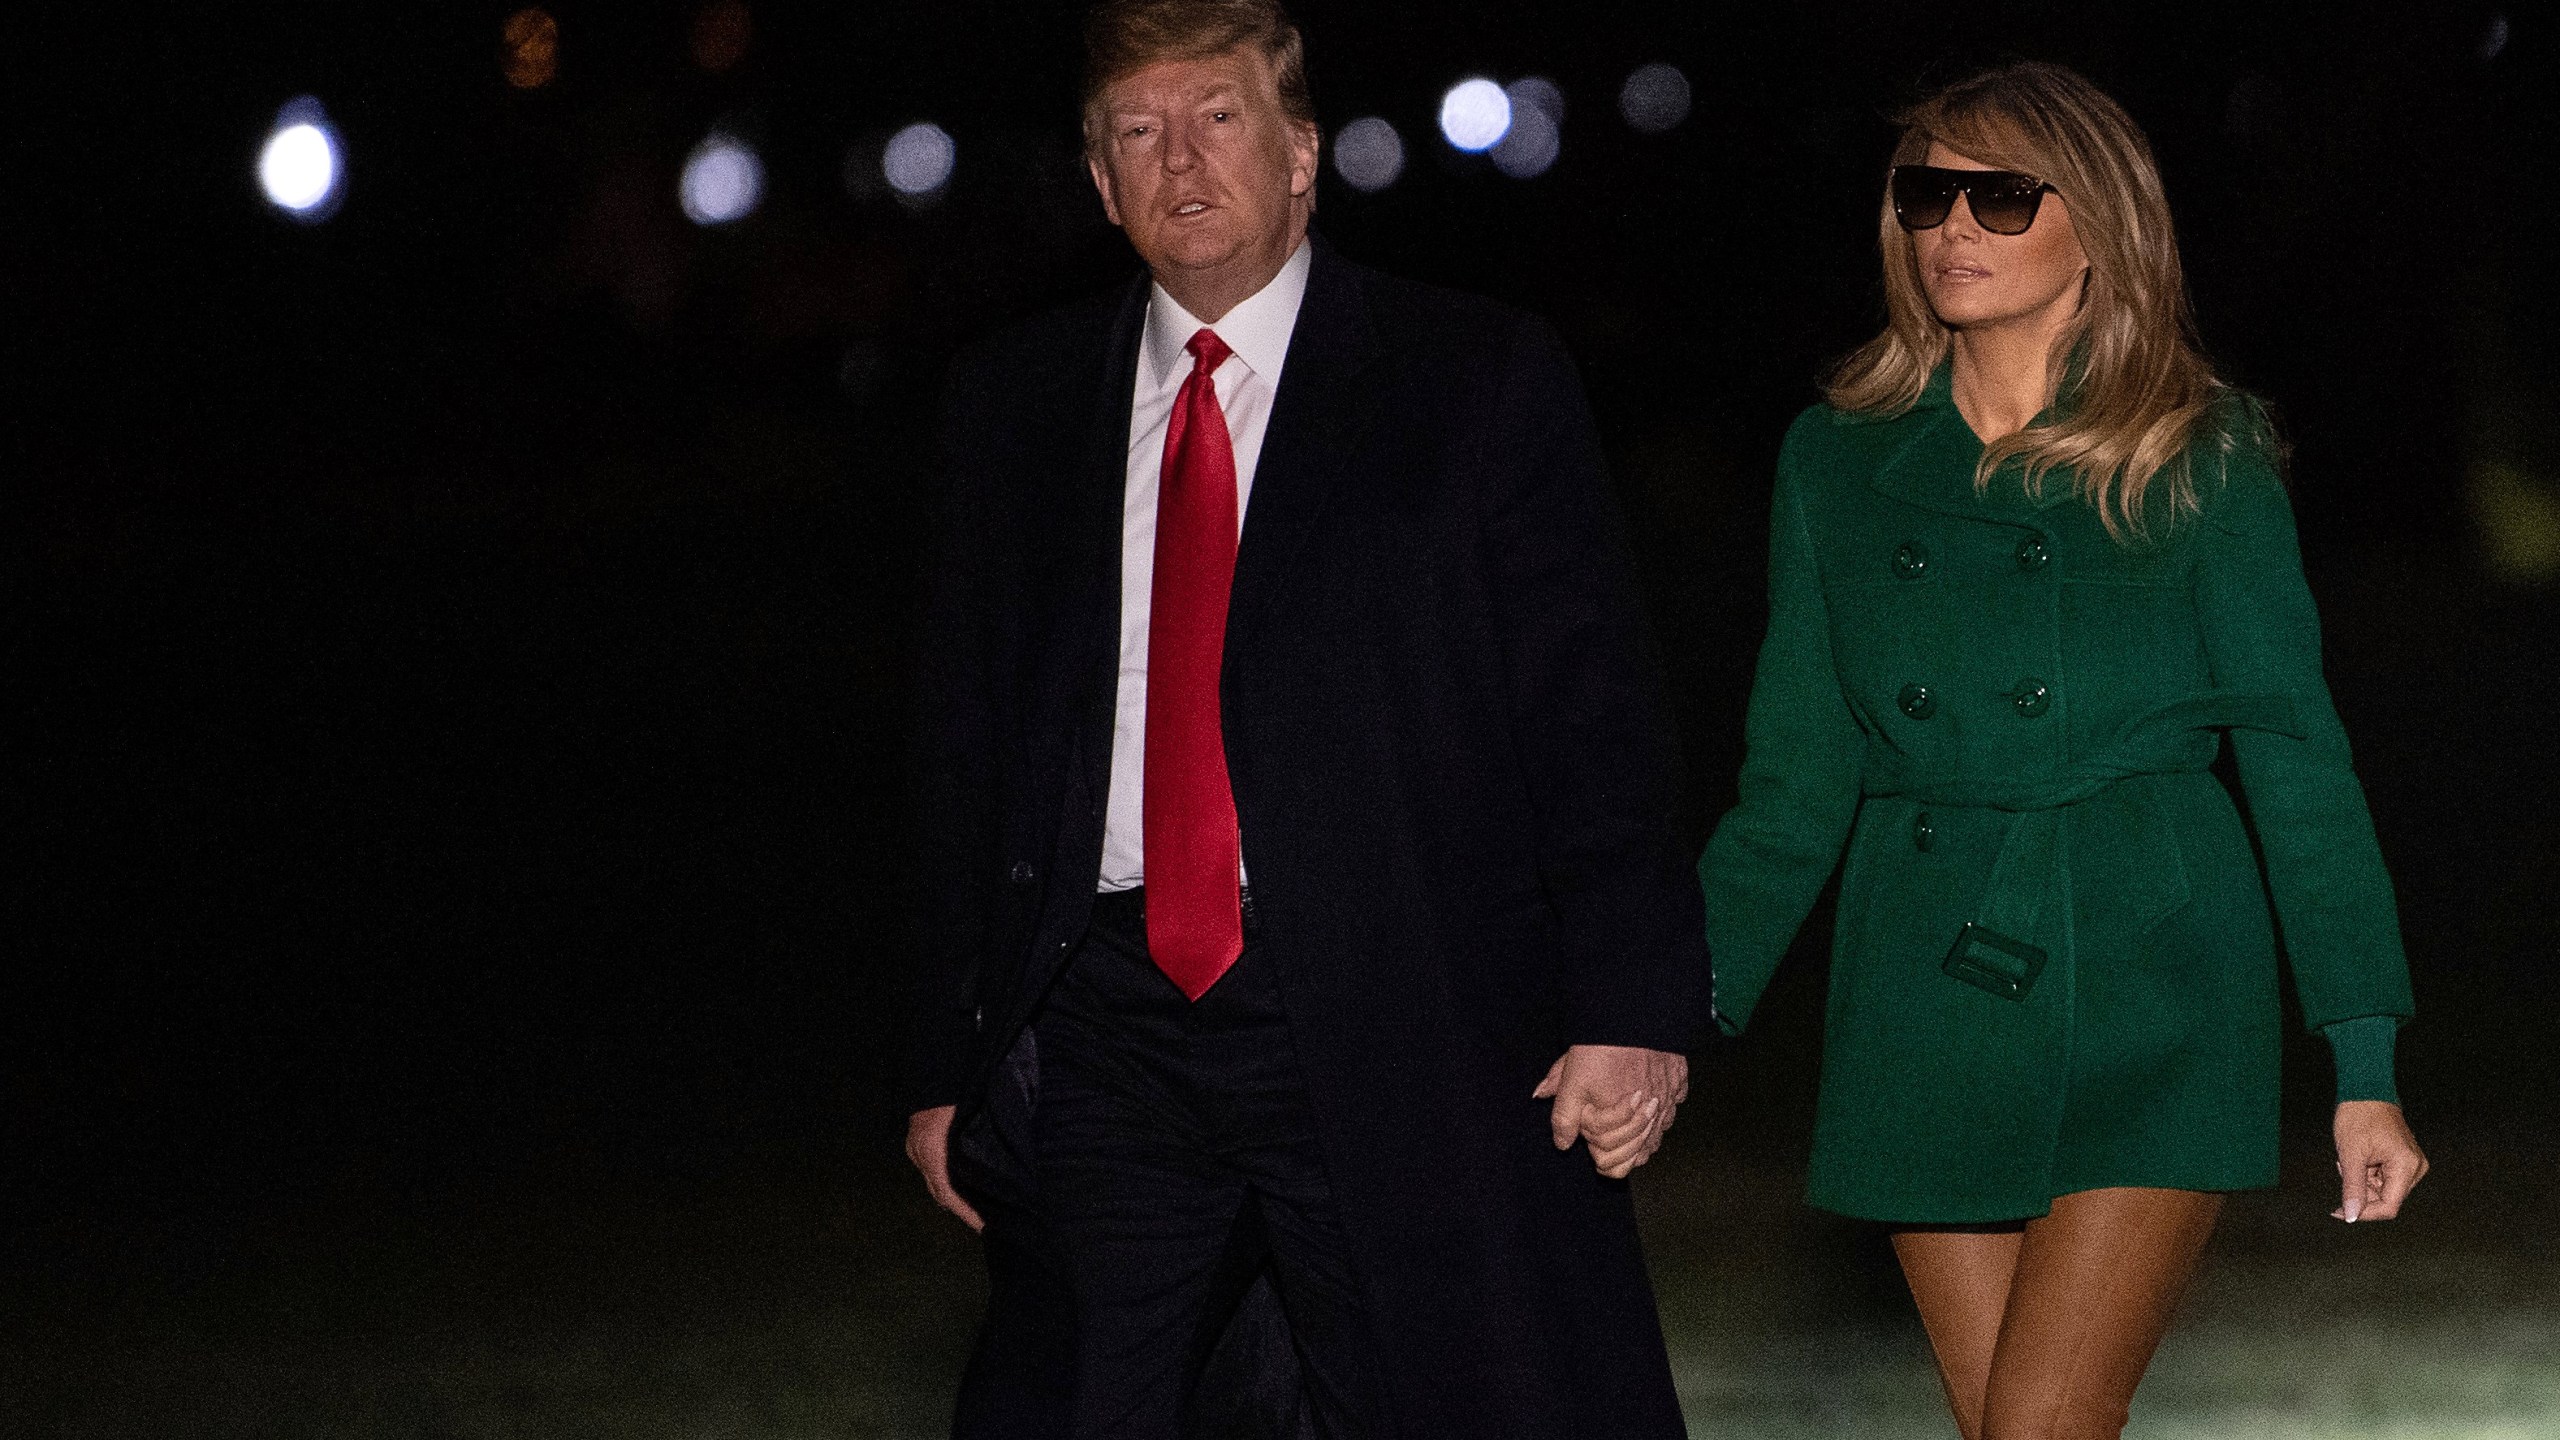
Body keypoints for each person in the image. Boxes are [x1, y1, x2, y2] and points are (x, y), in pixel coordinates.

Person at [901, 2, 1710, 1435]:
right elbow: (965, 746)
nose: (1181, 162)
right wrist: (942, 1058)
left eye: (1218, 116)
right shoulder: (1013, 406)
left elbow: (1590, 720)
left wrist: (1630, 1006)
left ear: (1302, 155)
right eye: (1136, 133)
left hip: (1399, 1002)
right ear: (1098, 183)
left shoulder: (1473, 380)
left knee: (1444, 1399)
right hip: (1108, 1023)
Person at [1696, 61, 2428, 1440]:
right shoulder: (1835, 464)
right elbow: (1794, 780)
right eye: (1927, 193)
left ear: (2101, 223)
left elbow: (2297, 760)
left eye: (2002, 195)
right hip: (1923, 975)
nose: (1953, 226)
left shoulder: (2198, 453)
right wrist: (1657, 1008)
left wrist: (2365, 1058)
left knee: (2038, 1425)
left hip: (2153, 964)